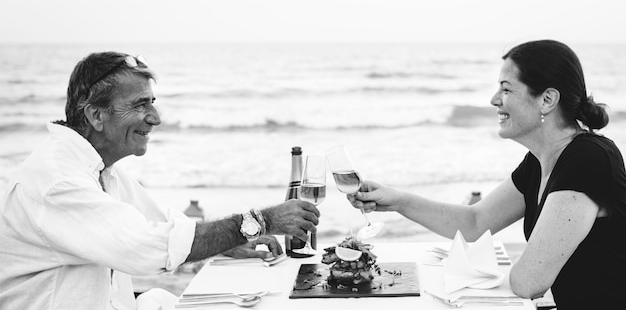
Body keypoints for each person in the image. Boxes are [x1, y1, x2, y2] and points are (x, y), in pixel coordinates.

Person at [0, 52, 320, 310]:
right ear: (96, 115)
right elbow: (147, 248)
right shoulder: (57, 181)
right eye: (141, 104)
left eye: (152, 102)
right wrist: (260, 222)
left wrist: (230, 244)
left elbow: (163, 227)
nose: (156, 117)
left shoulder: (99, 170)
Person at [349, 40, 626, 309]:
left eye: (506, 89)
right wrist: (397, 201)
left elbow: (529, 283)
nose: (494, 100)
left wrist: (479, 274)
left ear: (547, 99)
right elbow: (475, 221)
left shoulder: (589, 159)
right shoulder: (540, 160)